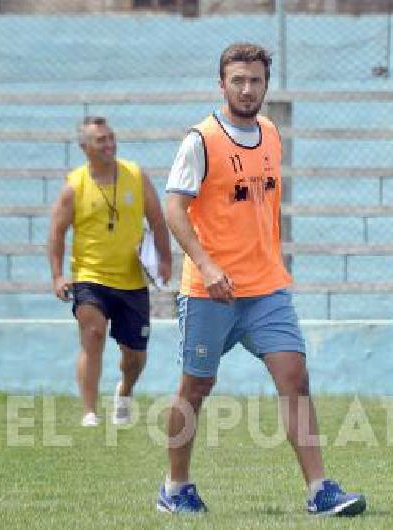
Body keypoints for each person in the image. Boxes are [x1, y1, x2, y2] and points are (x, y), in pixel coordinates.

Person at [156, 43, 366, 516]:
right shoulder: (201, 139)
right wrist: (208, 266)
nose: (247, 89)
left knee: (294, 377)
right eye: (238, 80)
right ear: (222, 84)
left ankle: (320, 491)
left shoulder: (270, 132)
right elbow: (174, 208)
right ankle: (175, 488)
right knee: (195, 388)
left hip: (266, 288)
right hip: (210, 292)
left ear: (265, 85)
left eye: (255, 81)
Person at [48, 116, 172, 427]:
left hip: (132, 279)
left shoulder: (135, 175)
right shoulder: (73, 186)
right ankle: (89, 411)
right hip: (90, 276)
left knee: (135, 357)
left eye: (111, 137)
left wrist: (166, 260)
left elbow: (157, 220)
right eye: (100, 140)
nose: (108, 144)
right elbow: (56, 232)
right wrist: (58, 276)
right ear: (85, 147)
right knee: (93, 333)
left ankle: (125, 390)